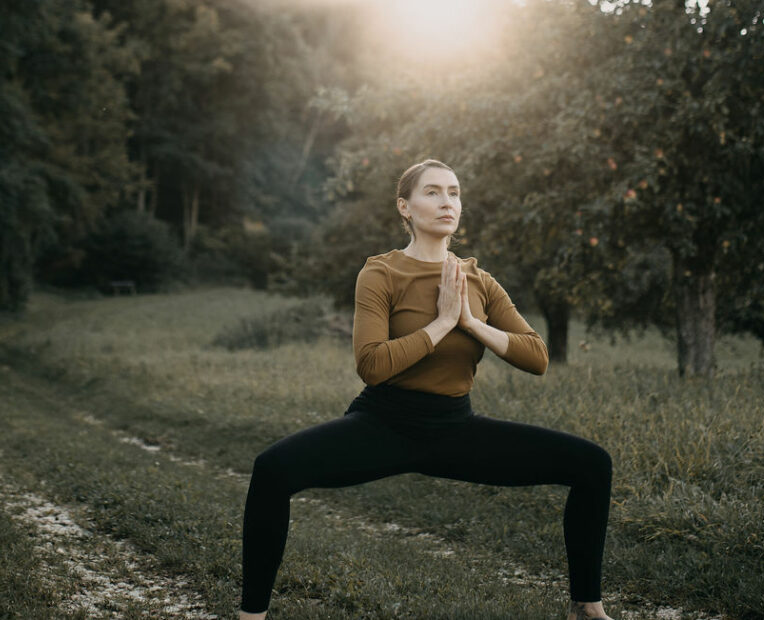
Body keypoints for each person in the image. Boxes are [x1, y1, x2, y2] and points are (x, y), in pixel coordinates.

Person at [239, 160, 614, 620]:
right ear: (405, 207)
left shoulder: (479, 281)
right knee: (272, 470)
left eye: (454, 193)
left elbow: (537, 357)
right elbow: (372, 365)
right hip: (384, 424)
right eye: (432, 192)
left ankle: (586, 607)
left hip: (455, 428)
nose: (446, 202)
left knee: (592, 464)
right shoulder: (381, 272)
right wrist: (441, 323)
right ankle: (251, 616)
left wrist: (470, 322)